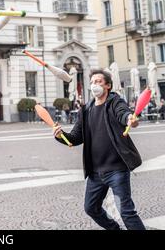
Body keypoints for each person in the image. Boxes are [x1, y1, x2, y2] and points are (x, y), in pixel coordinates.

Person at [53, 69, 145, 230]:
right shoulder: (86, 110)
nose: (95, 85)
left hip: (117, 170)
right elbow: (75, 137)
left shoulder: (115, 102)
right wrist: (61, 135)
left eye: (99, 82)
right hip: (95, 173)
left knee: (126, 212)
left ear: (108, 85)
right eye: (93, 82)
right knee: (91, 208)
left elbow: (123, 113)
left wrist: (130, 119)